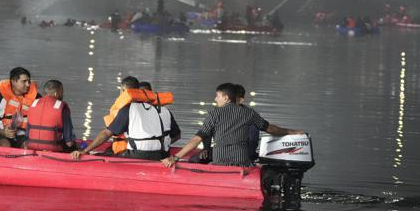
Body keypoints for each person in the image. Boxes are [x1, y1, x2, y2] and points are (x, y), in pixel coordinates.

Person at [162, 83, 301, 168]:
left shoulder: (214, 113)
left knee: (194, 160)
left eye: (218, 96)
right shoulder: (248, 113)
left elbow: (196, 139)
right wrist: (290, 131)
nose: (215, 99)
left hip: (220, 161)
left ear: (226, 98)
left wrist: (175, 157)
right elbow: (270, 128)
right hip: (242, 162)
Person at [75, 81, 179, 161]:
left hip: (138, 156)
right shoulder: (165, 110)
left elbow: (106, 133)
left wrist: (84, 151)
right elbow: (177, 135)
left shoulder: (130, 109)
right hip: (163, 155)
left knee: (102, 155)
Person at [0, 67, 38, 148]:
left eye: (29, 81)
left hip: (24, 136)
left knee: (28, 146)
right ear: (13, 81)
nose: (28, 84)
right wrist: (3, 132)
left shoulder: (36, 99)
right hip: (1, 134)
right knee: (5, 145)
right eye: (24, 81)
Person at [24, 80, 76, 152]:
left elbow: (27, 134)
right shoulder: (62, 107)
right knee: (74, 146)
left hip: (31, 146)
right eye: (62, 92)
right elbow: (69, 142)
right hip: (53, 148)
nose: (62, 95)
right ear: (56, 93)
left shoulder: (33, 104)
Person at [102, 75, 141, 154]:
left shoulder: (125, 108)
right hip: (141, 147)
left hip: (127, 149)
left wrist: (85, 151)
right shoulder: (146, 106)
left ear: (123, 90)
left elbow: (107, 133)